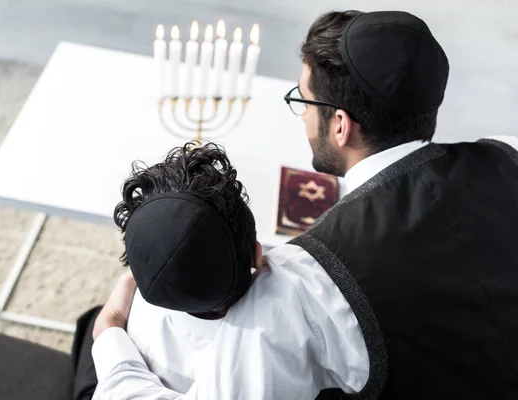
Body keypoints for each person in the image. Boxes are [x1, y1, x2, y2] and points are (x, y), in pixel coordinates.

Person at [73, 10, 518, 400]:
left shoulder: (305, 285)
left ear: (340, 125)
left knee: (91, 337)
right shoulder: (508, 153)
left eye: (304, 101)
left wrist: (110, 333)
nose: (304, 115)